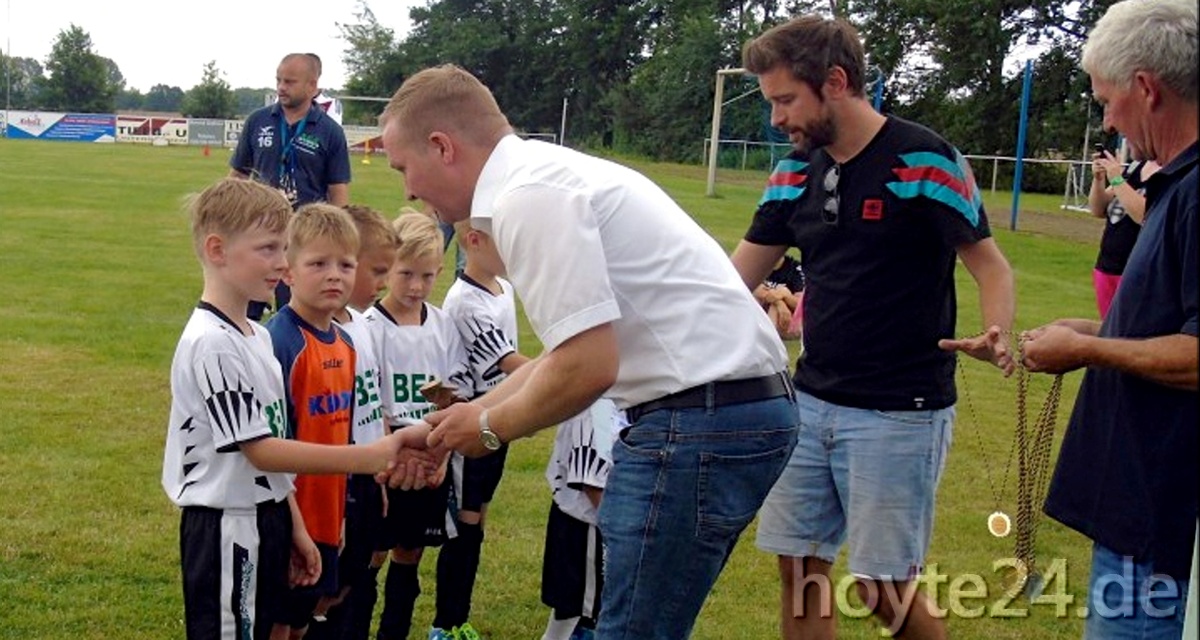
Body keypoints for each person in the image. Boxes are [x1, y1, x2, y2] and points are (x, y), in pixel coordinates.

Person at [380, 64, 799, 639]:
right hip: (718, 413)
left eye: (404, 166)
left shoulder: (527, 196)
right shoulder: (545, 176)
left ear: (441, 146)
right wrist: (460, 420)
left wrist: (490, 427)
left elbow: (588, 366)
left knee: (628, 629)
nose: (406, 188)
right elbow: (564, 354)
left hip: (698, 420)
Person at [730, 16, 1015, 639]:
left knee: (881, 588)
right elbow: (731, 280)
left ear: (835, 82)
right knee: (800, 572)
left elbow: (989, 266)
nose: (776, 118)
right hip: (809, 401)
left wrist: (995, 333)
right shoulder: (793, 172)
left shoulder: (926, 159)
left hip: (900, 411)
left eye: (784, 99)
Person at [161, 178, 423, 640]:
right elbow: (261, 450)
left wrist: (292, 527)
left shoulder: (255, 335)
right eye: (267, 249)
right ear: (217, 250)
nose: (282, 263)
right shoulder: (212, 344)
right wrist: (369, 457)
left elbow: (272, 448)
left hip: (265, 516)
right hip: (225, 526)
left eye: (284, 248)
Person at [1021, 1, 1197, 637]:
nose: (1107, 117)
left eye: (1105, 100)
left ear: (1146, 88)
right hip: (1135, 510)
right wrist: (1086, 332)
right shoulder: (1175, 184)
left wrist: (1089, 351)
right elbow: (1175, 324)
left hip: (1161, 522)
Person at [363, 210, 471, 640]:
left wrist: (442, 451)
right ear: (387, 268)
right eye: (405, 273)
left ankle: (395, 632)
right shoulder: (370, 328)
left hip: (429, 463)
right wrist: (387, 452)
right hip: (388, 462)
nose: (415, 286)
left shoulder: (442, 325)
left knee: (410, 553)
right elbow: (369, 403)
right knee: (372, 553)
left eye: (427, 276)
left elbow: (453, 394)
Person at [264, 204, 362, 640]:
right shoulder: (279, 342)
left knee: (301, 619)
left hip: (326, 515)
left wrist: (336, 518)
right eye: (318, 264)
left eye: (345, 264)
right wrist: (295, 529)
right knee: (277, 624)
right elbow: (272, 451)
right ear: (288, 271)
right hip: (287, 519)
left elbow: (339, 441)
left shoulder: (345, 344)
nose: (334, 275)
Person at [310, 204, 407, 640]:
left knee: (355, 579)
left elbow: (374, 406)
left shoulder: (363, 326)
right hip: (335, 483)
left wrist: (380, 475)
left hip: (367, 479)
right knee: (322, 594)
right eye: (376, 270)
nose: (383, 283)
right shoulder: (318, 337)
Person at [434, 219, 532, 639]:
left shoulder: (503, 289)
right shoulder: (464, 302)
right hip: (473, 424)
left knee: (480, 518)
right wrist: (568, 376)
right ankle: (445, 623)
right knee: (465, 522)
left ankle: (460, 620)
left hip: (500, 420)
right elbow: (508, 362)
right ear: (473, 241)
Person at [230, 52, 352, 319]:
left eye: (290, 82)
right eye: (279, 80)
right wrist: (227, 218)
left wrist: (338, 238)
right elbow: (237, 175)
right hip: (258, 231)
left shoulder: (329, 131)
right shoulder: (258, 121)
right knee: (243, 311)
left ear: (312, 87)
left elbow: (338, 189)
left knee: (295, 313)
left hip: (303, 237)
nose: (281, 88)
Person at [540, 399, 623, 640]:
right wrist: (621, 533)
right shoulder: (597, 405)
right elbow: (592, 481)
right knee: (582, 614)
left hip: (590, 520)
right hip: (588, 523)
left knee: (574, 611)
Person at [1087, 147, 1158, 318]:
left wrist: (1117, 179)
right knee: (1110, 334)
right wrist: (1099, 179)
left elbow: (1146, 215)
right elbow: (1098, 209)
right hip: (1107, 269)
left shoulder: (1171, 173)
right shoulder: (1135, 167)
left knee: (1130, 337)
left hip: (1138, 274)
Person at [752, 252, 805, 340]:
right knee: (754, 298)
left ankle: (768, 339)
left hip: (787, 322)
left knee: (774, 308)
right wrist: (779, 303)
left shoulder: (795, 269)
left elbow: (801, 306)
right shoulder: (756, 264)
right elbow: (751, 288)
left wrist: (786, 296)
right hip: (766, 313)